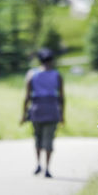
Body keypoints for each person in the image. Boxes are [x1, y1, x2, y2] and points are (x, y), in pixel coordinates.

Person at [21, 48, 64, 178]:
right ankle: (47, 168)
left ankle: (38, 163)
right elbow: (62, 97)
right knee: (49, 140)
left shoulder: (31, 74)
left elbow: (27, 97)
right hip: (52, 110)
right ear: (51, 60)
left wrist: (23, 114)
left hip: (36, 109)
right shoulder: (57, 75)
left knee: (38, 138)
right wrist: (62, 115)